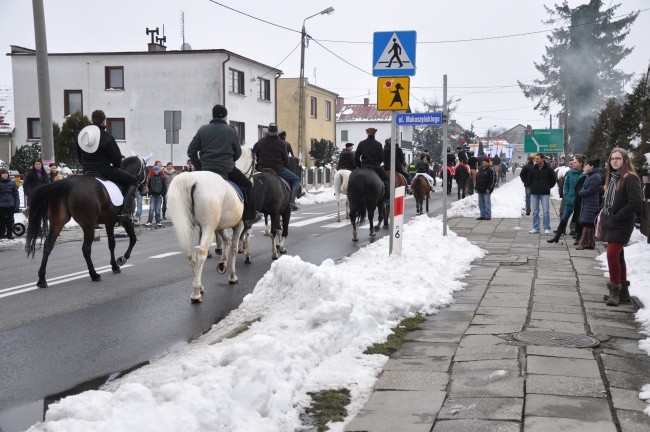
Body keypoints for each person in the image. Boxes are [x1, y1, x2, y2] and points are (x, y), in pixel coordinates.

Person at [187, 104, 260, 227]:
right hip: (226, 168)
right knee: (248, 185)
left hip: (206, 169)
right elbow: (238, 152)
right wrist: (229, 160)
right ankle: (248, 218)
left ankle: (189, 216)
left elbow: (191, 151)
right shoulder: (231, 131)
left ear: (213, 115)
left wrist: (199, 166)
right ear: (225, 117)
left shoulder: (202, 129)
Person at [77, 110, 138, 221]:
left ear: (92, 119)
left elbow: (78, 155)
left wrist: (86, 166)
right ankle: (124, 213)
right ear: (103, 121)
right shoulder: (107, 137)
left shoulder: (83, 136)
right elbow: (116, 158)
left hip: (87, 171)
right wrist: (116, 166)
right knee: (133, 181)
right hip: (104, 170)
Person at [600, 148, 643, 306]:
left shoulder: (630, 178)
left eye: (618, 158)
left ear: (625, 160)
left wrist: (617, 216)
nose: (615, 161)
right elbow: (608, 202)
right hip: (612, 221)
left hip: (622, 223)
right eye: (612, 159)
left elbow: (635, 203)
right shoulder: (613, 178)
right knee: (618, 256)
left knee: (612, 255)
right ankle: (624, 292)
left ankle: (614, 291)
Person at [256, 123, 302, 211]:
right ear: (277, 133)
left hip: (262, 168)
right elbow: (286, 160)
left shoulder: (261, 142)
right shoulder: (281, 143)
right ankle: (292, 201)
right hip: (277, 169)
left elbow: (257, 156)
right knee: (296, 179)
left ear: (268, 132)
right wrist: (283, 165)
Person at [548, 155, 585, 243]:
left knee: (578, 219)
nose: (573, 164)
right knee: (564, 217)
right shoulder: (570, 173)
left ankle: (578, 237)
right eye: (573, 162)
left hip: (579, 200)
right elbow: (566, 185)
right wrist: (567, 195)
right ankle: (557, 236)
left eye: (576, 162)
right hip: (570, 198)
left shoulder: (583, 174)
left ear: (581, 164)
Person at [575, 158, 602, 250]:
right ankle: (590, 243)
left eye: (587, 165)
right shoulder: (590, 175)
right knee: (589, 223)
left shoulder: (595, 176)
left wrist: (581, 192)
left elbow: (591, 190)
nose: (585, 166)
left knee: (587, 222)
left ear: (591, 167)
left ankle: (582, 243)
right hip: (587, 202)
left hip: (591, 202)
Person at [355, 127, 389, 197]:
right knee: (386, 180)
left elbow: (356, 156)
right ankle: (386, 198)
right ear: (375, 134)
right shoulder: (378, 144)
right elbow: (381, 157)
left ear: (367, 133)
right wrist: (377, 164)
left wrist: (359, 166)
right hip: (375, 167)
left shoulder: (361, 143)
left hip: (363, 166)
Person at [528, 153, 556, 234]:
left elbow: (553, 180)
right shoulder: (532, 169)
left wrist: (548, 187)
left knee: (546, 211)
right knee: (535, 211)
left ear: (542, 159)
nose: (536, 160)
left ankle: (547, 228)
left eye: (538, 159)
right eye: (535, 159)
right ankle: (536, 228)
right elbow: (529, 180)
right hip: (534, 193)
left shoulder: (549, 169)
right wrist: (532, 187)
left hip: (545, 193)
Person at [0, 167, 20, 240]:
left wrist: (17, 205)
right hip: (1, 205)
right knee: (1, 220)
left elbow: (16, 194)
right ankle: (1, 234)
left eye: (6, 173)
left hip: (11, 205)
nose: (5, 175)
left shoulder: (12, 183)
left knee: (10, 220)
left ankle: (9, 234)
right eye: (3, 173)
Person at [475, 155, 496, 221]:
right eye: (483, 162)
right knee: (480, 203)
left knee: (487, 203)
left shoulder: (490, 170)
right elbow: (477, 179)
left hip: (486, 190)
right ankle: (482, 215)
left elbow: (493, 180)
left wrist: (489, 188)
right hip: (480, 189)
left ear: (488, 163)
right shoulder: (480, 169)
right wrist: (476, 187)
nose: (483, 163)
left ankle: (488, 215)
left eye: (485, 162)